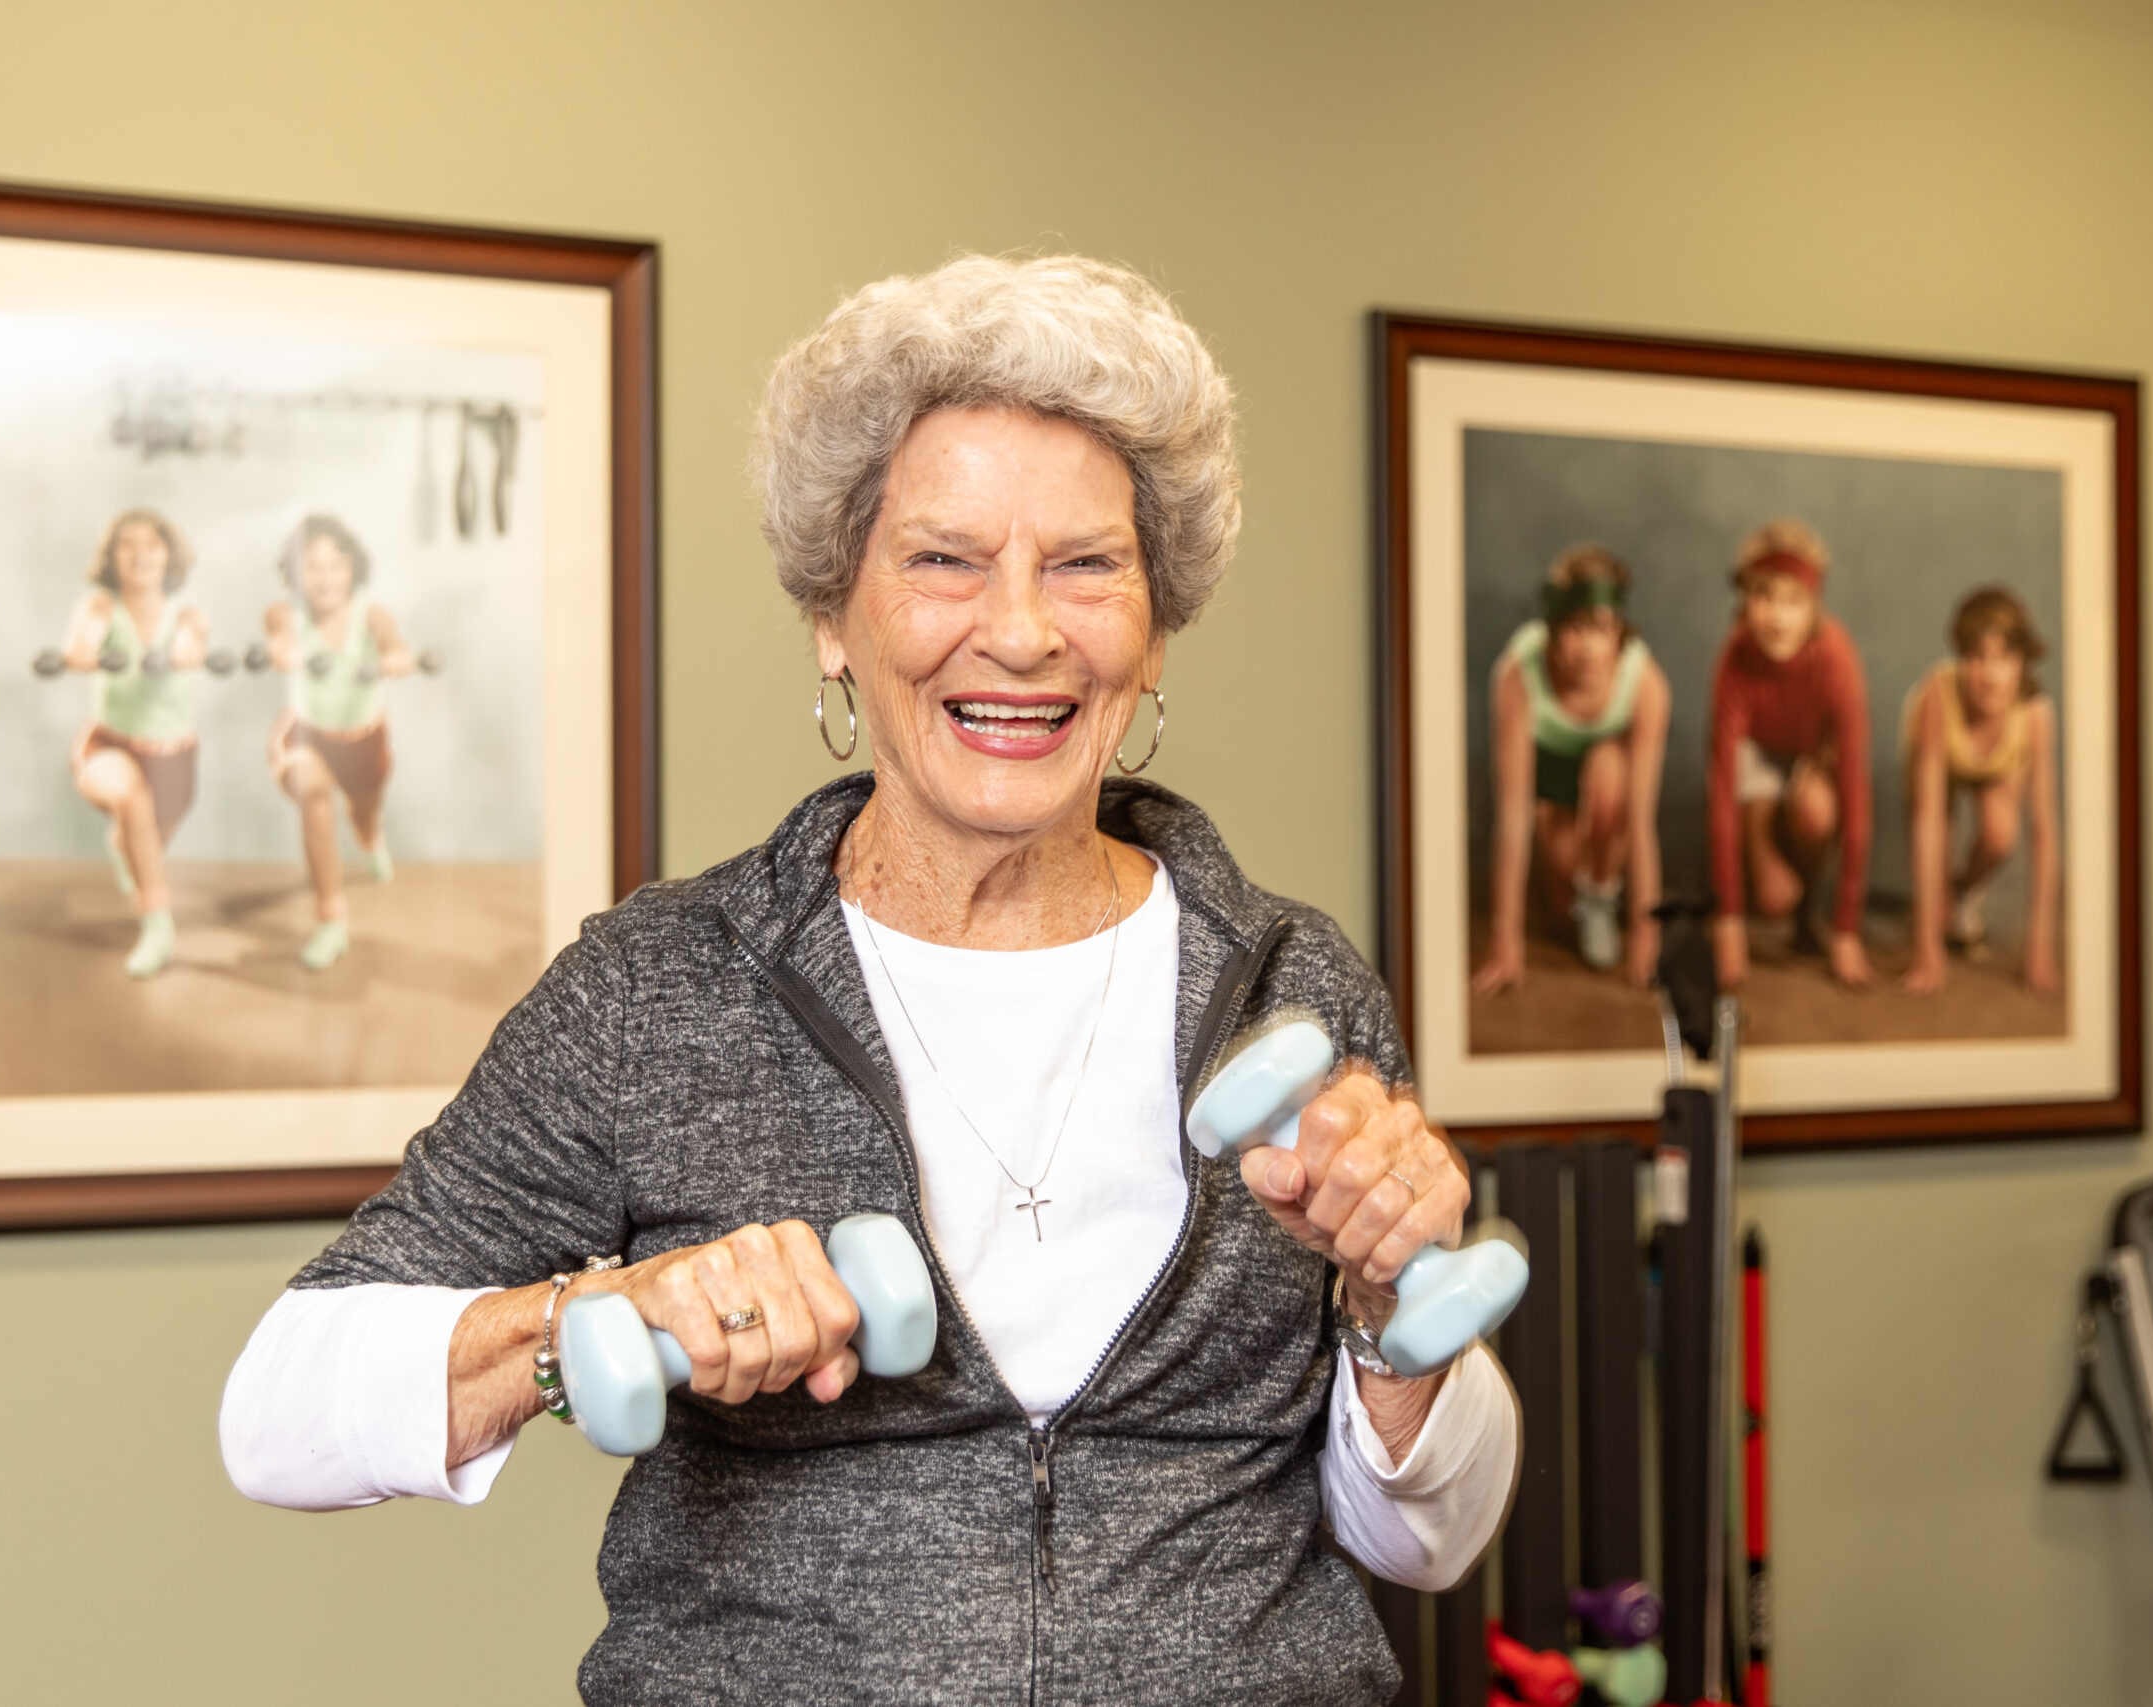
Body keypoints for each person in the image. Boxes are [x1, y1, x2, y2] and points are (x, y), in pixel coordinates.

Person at [220, 255, 1517, 1704]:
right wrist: (611, 1313)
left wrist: (1398, 1305)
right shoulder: (663, 991)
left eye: (1087, 565)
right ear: (833, 618)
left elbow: (1425, 1536)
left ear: (1155, 631)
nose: (1021, 630)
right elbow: (276, 1409)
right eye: (944, 558)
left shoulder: (1293, 982)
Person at [1471, 545, 1671, 996]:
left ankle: (1601, 891)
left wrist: (1647, 937)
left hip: (1609, 789)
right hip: (1552, 792)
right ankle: (1572, 895)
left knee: (1607, 768)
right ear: (1553, 631)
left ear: (1620, 633)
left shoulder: (1645, 682)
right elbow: (1513, 814)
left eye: (1601, 629)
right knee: (1564, 918)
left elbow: (1642, 822)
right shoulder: (1518, 673)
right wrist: (1506, 940)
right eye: (1574, 628)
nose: (1587, 646)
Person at [1705, 518, 1873, 990]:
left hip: (1809, 757)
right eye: (1763, 597)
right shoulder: (1734, 659)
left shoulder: (1836, 657)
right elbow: (1719, 792)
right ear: (1743, 602)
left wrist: (1847, 928)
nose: (1778, 617)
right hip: (1756, 762)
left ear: (1813, 604)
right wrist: (1728, 921)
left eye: (1794, 601)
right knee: (1771, 899)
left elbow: (1856, 790)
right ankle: (1762, 851)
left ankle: (1810, 912)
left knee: (1818, 811)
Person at [259, 514, 426, 971]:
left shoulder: (372, 615)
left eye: (335, 565)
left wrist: (397, 658)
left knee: (364, 816)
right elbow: (279, 638)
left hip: (363, 740)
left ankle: (371, 840)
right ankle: (330, 919)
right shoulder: (284, 612)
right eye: (312, 566)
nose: (325, 577)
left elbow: (394, 645)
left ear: (353, 568)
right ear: (295, 572)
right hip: (305, 736)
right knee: (314, 796)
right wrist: (284, 651)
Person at [52, 508, 209, 979]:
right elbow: (80, 645)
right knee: (131, 797)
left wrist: (176, 655)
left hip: (175, 761)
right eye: (128, 545)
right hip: (109, 746)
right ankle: (158, 926)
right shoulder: (100, 606)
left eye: (152, 544)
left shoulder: (189, 616)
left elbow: (190, 646)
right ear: (112, 556)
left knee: (144, 846)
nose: (140, 554)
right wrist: (94, 652)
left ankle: (124, 848)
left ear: (169, 555)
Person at [1900, 586, 2061, 996]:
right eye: (1976, 658)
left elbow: (2043, 831)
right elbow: (1928, 822)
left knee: (2000, 833)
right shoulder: (1937, 697)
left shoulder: (2036, 715)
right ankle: (1940, 906)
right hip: (1942, 755)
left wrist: (2039, 952)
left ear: (2023, 661)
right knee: (1937, 880)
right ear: (1960, 660)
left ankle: (1965, 892)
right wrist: (1926, 948)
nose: (1989, 675)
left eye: (2004, 658)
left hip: (1997, 761)